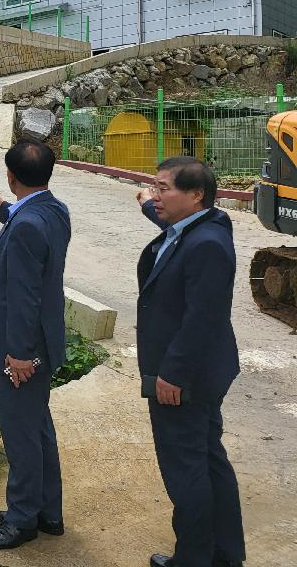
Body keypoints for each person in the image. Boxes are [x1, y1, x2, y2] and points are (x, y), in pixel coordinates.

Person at [135, 157, 244, 567]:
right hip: (200, 371)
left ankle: (194, 558)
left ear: (196, 196)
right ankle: (223, 554)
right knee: (208, 459)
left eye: (165, 188)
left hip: (186, 377)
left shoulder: (207, 246)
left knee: (186, 472)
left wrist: (172, 373)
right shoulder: (203, 225)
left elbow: (204, 318)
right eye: (154, 186)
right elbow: (171, 226)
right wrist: (149, 204)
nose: (156, 194)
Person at [0, 140, 71, 551]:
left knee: (21, 435)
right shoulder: (54, 210)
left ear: (12, 176)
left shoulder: (28, 224)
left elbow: (24, 295)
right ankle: (48, 510)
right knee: (38, 427)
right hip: (43, 342)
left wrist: (18, 353)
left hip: (23, 350)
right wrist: (1, 206)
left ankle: (22, 518)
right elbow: (25, 219)